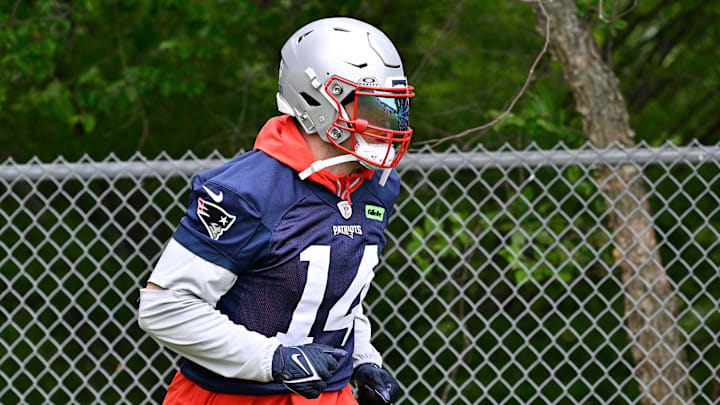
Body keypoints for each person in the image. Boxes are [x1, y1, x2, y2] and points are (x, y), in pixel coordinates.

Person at [138, 16, 414, 405]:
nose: (387, 121)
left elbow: (332, 295)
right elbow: (165, 307)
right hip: (232, 396)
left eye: (393, 107)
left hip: (327, 396)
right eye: (371, 105)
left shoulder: (375, 187)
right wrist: (273, 360)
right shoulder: (248, 191)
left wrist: (363, 359)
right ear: (318, 101)